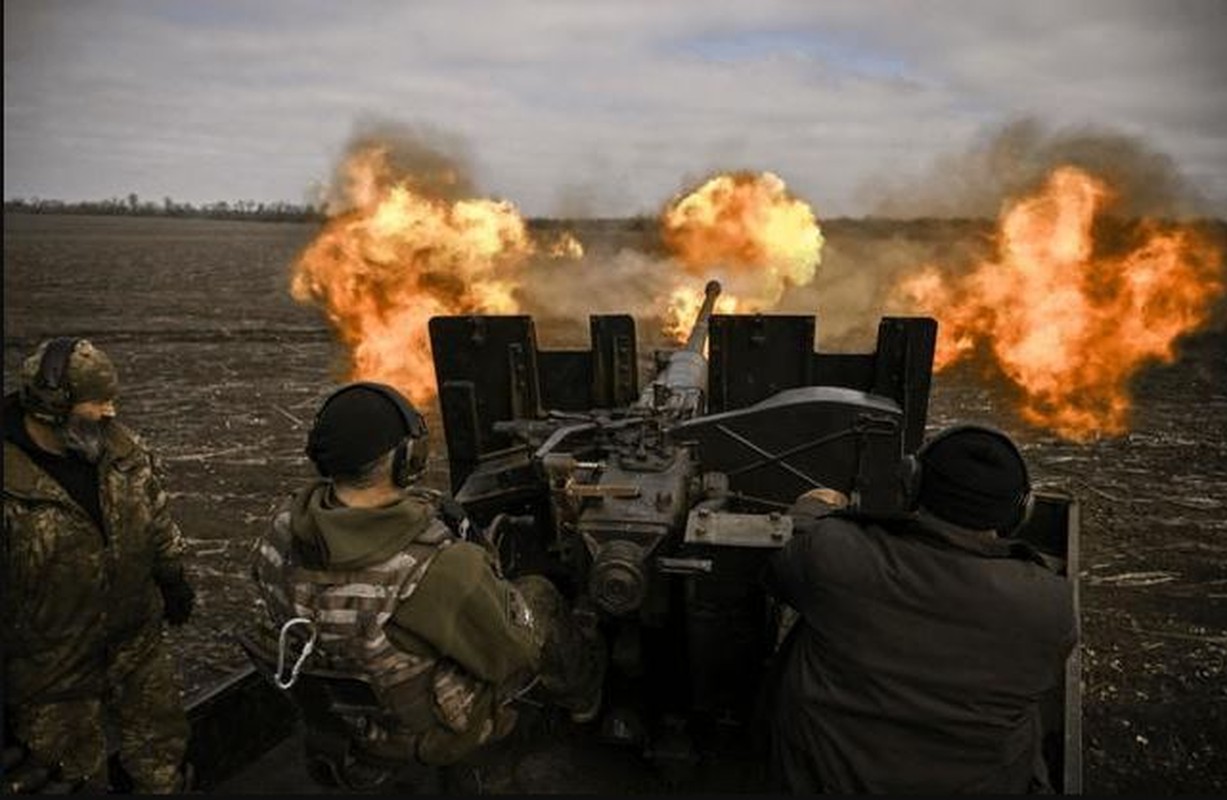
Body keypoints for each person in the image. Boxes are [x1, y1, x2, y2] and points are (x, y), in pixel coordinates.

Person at [247, 381, 605, 787]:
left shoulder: (279, 532)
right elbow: (512, 657)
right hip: (421, 731)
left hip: (338, 713)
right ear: (406, 460)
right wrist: (480, 564)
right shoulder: (438, 566)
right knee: (539, 595)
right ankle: (584, 699)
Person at [763, 423, 1077, 794]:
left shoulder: (836, 553)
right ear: (1021, 512)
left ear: (911, 482)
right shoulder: (1049, 603)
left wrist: (817, 503)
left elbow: (780, 562)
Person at [2, 337, 195, 793]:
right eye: (98, 403)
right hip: (52, 668)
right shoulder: (11, 484)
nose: (110, 413)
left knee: (163, 757)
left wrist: (172, 579)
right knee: (72, 778)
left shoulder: (122, 453)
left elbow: (156, 520)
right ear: (53, 407)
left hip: (136, 644)